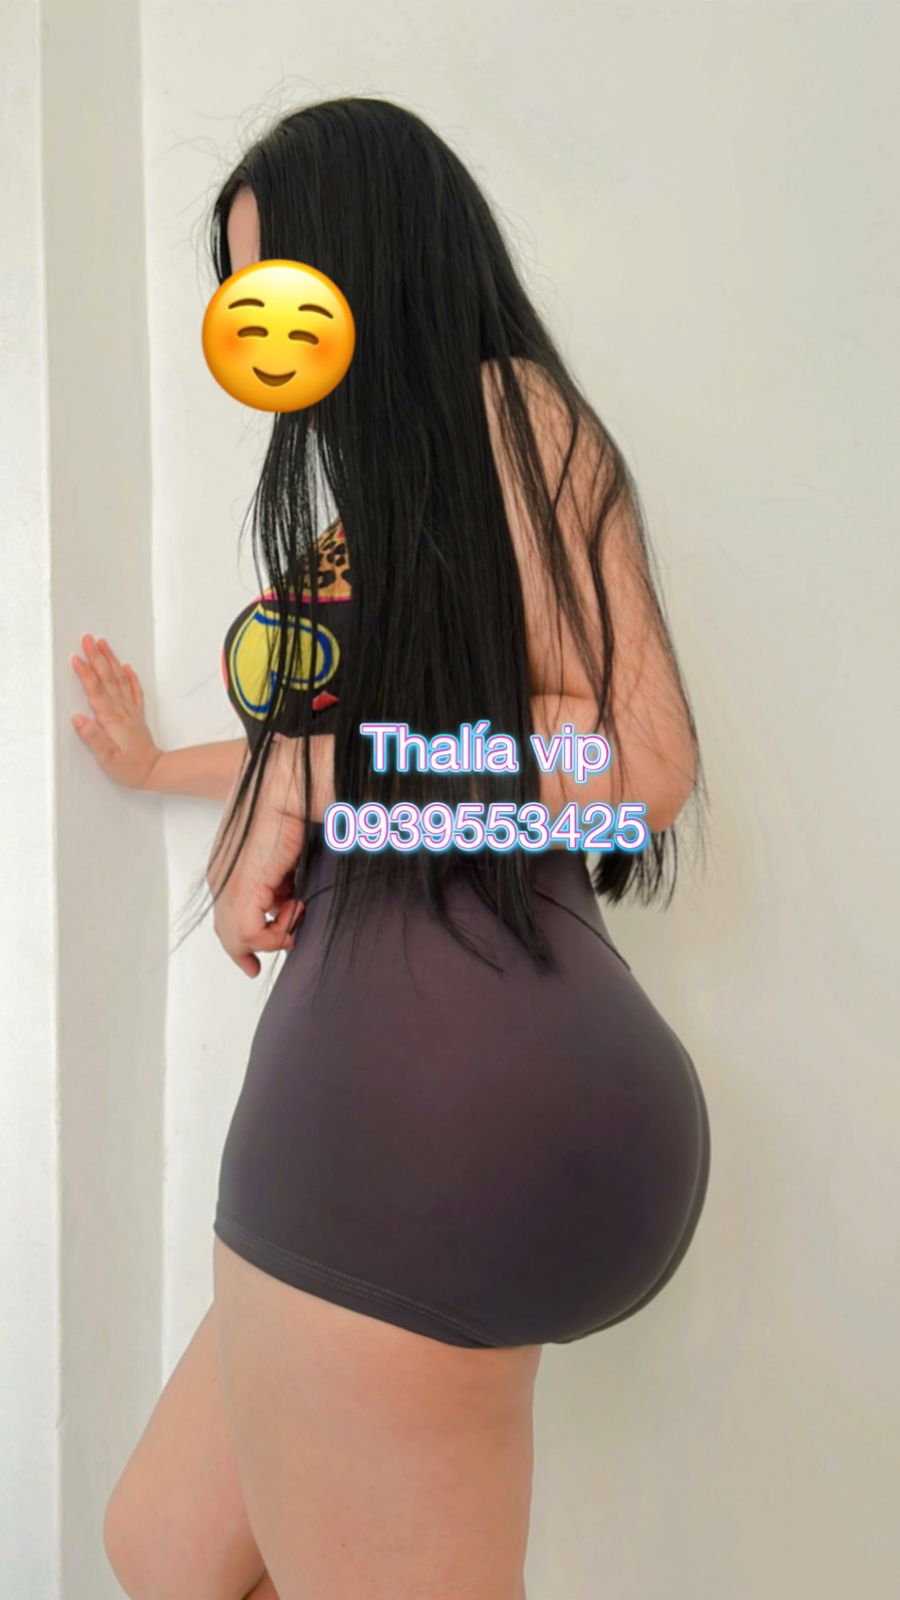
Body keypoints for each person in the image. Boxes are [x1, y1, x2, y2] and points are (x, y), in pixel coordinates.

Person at [74, 96, 711, 1600]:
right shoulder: (404, 484)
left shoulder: (507, 406)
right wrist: (176, 767)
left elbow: (639, 765)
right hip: (431, 1082)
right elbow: (390, 744)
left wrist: (319, 765)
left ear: (374, 256)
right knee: (167, 1547)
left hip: (428, 1090)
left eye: (281, 281)